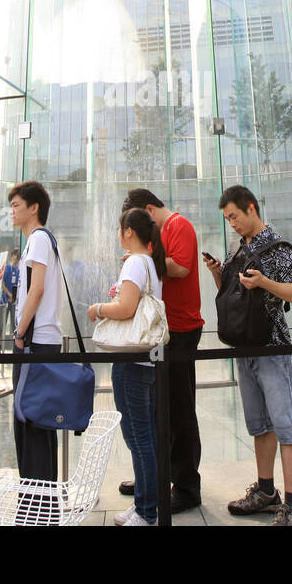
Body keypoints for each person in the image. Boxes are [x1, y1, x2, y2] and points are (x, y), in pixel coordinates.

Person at [202, 185, 292, 526]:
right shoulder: (238, 248)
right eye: (227, 218)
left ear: (251, 208)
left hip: (272, 348)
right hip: (243, 347)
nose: (231, 223)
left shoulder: (277, 247)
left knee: (287, 427)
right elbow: (234, 296)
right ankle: (266, 492)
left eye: (234, 215)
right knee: (260, 426)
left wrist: (264, 282)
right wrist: (219, 272)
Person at [119, 187, 203, 513]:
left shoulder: (179, 225)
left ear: (150, 210)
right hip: (162, 332)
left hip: (182, 329)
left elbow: (180, 267)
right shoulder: (157, 234)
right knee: (159, 409)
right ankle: (154, 479)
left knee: (180, 409)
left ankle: (186, 486)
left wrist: (142, 259)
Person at [88, 208, 166, 526]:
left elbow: (126, 308)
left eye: (120, 229)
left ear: (128, 232)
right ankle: (144, 505)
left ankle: (147, 512)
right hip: (146, 359)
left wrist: (98, 309)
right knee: (143, 435)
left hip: (132, 360)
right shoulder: (148, 262)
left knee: (139, 437)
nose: (117, 235)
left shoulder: (135, 262)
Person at [9, 180, 63, 481]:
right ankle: (42, 501)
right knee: (36, 423)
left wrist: (19, 332)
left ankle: (37, 504)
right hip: (40, 340)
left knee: (31, 422)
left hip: (36, 341)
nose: (12, 211)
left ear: (34, 207)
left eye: (17, 205)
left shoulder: (39, 238)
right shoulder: (38, 240)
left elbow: (36, 289)